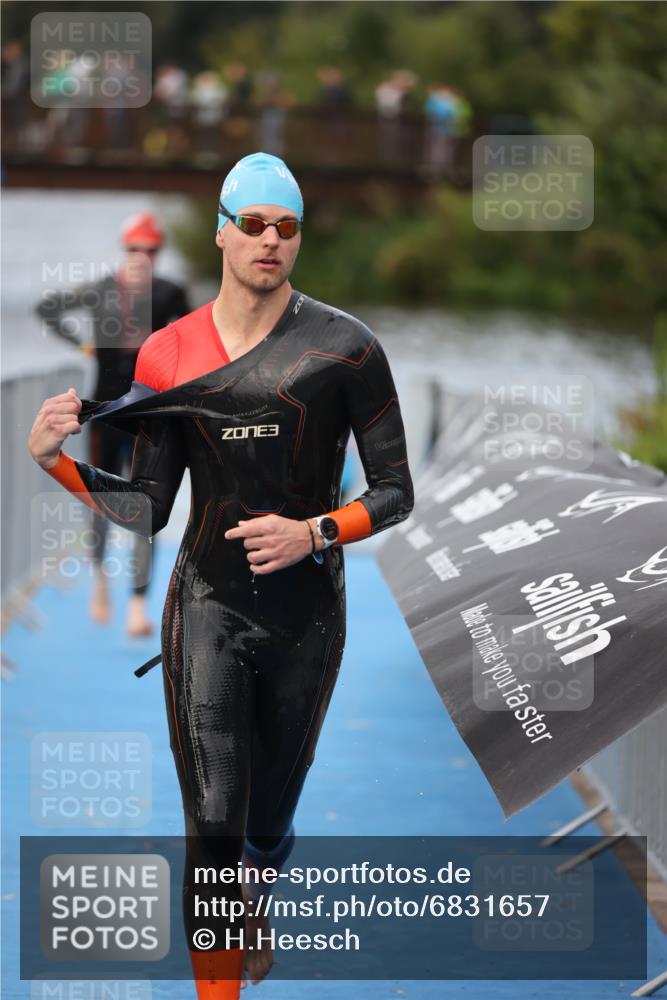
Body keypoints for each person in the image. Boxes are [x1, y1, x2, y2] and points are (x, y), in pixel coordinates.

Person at [28, 152, 414, 997]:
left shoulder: (345, 349)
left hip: (307, 616)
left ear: (297, 238)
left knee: (266, 824)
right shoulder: (167, 354)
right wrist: (58, 464)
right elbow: (149, 508)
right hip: (204, 608)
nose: (270, 241)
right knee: (210, 827)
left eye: (286, 227)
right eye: (253, 225)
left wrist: (314, 531)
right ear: (222, 232)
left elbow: (394, 494)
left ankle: (259, 885)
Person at [35, 212, 190, 635]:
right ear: (125, 249)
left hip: (146, 417)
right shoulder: (101, 289)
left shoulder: (171, 292)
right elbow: (47, 308)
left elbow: (193, 338)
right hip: (102, 413)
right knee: (98, 504)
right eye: (136, 249)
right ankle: (100, 584)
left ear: (158, 253)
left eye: (151, 250)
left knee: (145, 509)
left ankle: (137, 605)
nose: (143, 257)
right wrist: (84, 345)